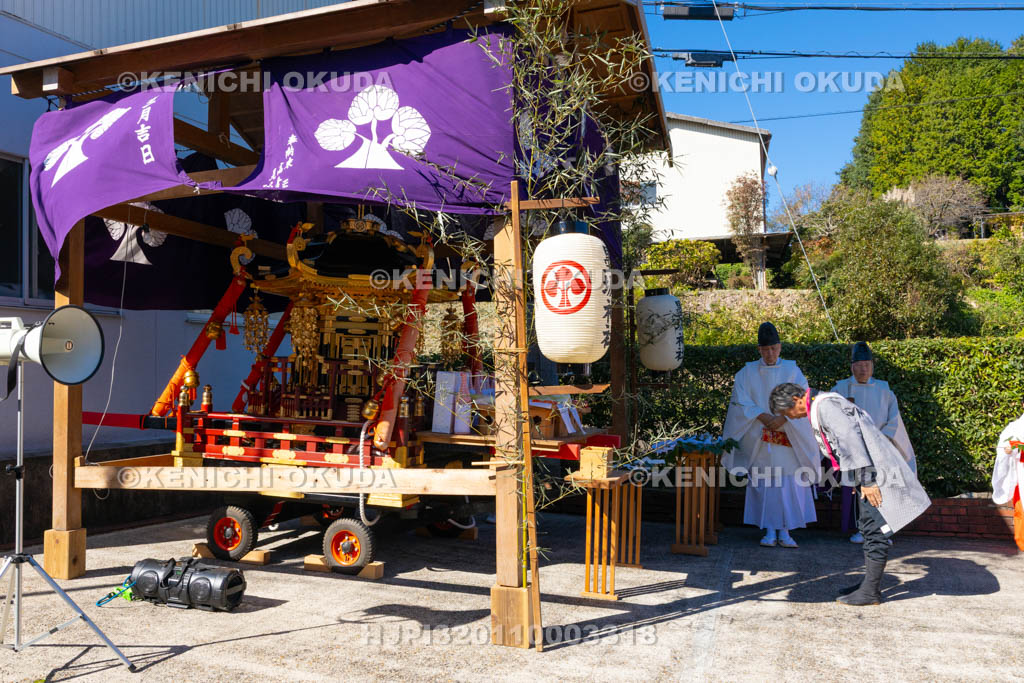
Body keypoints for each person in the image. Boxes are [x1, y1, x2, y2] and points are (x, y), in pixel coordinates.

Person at [770, 382, 931, 606]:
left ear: (796, 399)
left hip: (874, 476)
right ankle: (868, 585)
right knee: (866, 527)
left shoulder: (826, 407)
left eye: (787, 411)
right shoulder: (823, 405)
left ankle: (871, 592)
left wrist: (867, 480)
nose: (790, 417)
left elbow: (851, 440)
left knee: (875, 531)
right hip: (868, 474)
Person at [722, 322, 820, 548]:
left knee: (787, 483)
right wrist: (763, 417)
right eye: (765, 349)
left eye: (773, 349)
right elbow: (741, 400)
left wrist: (784, 418)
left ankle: (785, 531)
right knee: (764, 483)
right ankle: (768, 530)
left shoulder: (792, 371)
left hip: (788, 433)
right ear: (759, 350)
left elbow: (803, 399)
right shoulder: (746, 373)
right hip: (759, 434)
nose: (770, 354)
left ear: (780, 347)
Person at [831, 341, 916, 543]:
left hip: (881, 447)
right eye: (859, 365)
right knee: (859, 491)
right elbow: (832, 417)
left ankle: (884, 531)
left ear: (872, 366)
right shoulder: (841, 388)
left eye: (867, 365)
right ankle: (862, 530)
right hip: (854, 450)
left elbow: (894, 420)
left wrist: (881, 439)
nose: (863, 369)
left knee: (884, 490)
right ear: (852, 366)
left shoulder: (884, 390)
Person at [992, 406, 1024, 551]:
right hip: (1021, 470)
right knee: (1021, 509)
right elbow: (1004, 447)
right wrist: (1009, 449)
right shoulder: (1014, 427)